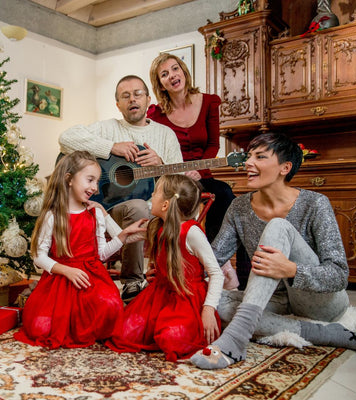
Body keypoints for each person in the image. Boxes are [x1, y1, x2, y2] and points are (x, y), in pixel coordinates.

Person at [191, 132, 356, 370]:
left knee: (278, 226)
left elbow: (338, 276)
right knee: (203, 299)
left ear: (285, 167)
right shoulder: (239, 207)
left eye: (260, 157)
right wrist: (173, 269)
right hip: (275, 300)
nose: (248, 163)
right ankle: (329, 334)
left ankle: (235, 339)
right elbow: (212, 258)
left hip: (320, 302)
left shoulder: (315, 203)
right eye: (249, 156)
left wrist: (291, 269)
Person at [59, 75, 183, 302]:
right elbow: (66, 138)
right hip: (103, 207)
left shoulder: (165, 135)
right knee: (136, 207)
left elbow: (181, 184)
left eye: (137, 94)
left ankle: (132, 283)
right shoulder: (107, 128)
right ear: (118, 104)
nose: (132, 100)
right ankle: (125, 281)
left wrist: (161, 166)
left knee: (138, 207)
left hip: (150, 209)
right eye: (125, 96)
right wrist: (110, 147)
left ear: (148, 99)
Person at [14, 151, 147, 349]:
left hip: (91, 277)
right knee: (41, 326)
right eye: (90, 180)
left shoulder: (95, 212)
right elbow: (38, 256)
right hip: (61, 278)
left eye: (96, 181)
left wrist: (122, 236)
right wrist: (65, 270)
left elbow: (101, 254)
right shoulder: (53, 215)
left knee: (111, 307)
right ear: (69, 179)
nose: (95, 188)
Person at [147, 52, 245, 289]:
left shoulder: (209, 102)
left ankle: (221, 263)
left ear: (183, 71)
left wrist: (200, 171)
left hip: (202, 175)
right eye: (164, 74)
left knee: (225, 196)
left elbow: (213, 144)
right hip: (172, 180)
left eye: (175, 69)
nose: (172, 76)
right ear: (160, 83)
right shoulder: (155, 113)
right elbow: (153, 147)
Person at [106, 174, 224, 361]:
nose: (151, 195)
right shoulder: (157, 226)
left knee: (171, 339)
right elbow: (123, 238)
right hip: (159, 294)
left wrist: (208, 309)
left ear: (165, 205)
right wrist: (103, 215)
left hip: (186, 298)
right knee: (123, 332)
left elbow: (216, 273)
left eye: (155, 192)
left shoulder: (191, 232)